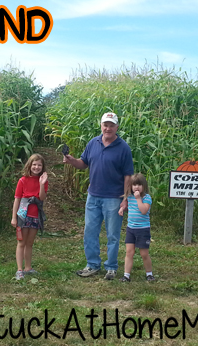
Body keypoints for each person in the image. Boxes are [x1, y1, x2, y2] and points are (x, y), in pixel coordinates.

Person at [63, 112, 134, 280]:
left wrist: (125, 198)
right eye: (105, 124)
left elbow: (128, 175)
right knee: (90, 232)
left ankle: (111, 267)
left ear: (117, 127)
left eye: (111, 125)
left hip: (113, 198)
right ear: (101, 125)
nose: (108, 128)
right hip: (93, 196)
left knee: (112, 235)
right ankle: (92, 264)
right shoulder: (93, 143)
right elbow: (83, 164)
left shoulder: (123, 148)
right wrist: (72, 160)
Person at [11, 153, 49, 280]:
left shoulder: (43, 181)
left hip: (35, 215)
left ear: (42, 167)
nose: (36, 167)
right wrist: (14, 217)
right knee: (21, 242)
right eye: (34, 164)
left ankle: (28, 267)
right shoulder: (22, 180)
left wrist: (42, 184)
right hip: (23, 214)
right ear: (29, 165)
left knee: (30, 243)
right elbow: (17, 199)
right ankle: (19, 269)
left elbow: (42, 198)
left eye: (39, 165)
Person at [118, 173, 155, 282]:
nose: (136, 187)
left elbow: (144, 211)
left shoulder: (146, 198)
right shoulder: (129, 197)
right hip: (131, 228)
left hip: (143, 229)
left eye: (139, 184)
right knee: (129, 252)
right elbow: (126, 205)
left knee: (144, 253)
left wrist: (138, 198)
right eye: (134, 185)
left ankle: (149, 274)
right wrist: (122, 209)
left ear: (144, 186)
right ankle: (126, 275)